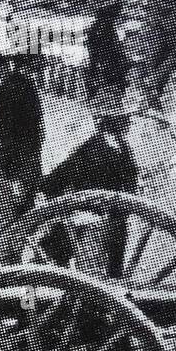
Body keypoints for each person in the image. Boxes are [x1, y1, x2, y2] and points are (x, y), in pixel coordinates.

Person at [39, 98, 140, 277]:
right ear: (116, 122)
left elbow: (58, 178)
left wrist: (44, 188)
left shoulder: (110, 147)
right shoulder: (107, 149)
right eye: (126, 118)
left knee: (56, 250)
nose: (130, 122)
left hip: (103, 220)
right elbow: (59, 177)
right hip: (100, 220)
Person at [0, 51, 45, 242]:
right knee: (18, 219)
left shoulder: (6, 87)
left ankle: (10, 246)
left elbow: (3, 130)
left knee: (11, 218)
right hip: (19, 161)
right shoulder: (23, 89)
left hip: (9, 159)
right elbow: (18, 132)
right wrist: (16, 172)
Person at [85, 0, 129, 109]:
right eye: (119, 12)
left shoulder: (100, 26)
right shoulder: (104, 27)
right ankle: (106, 104)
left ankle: (104, 103)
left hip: (104, 66)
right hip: (107, 66)